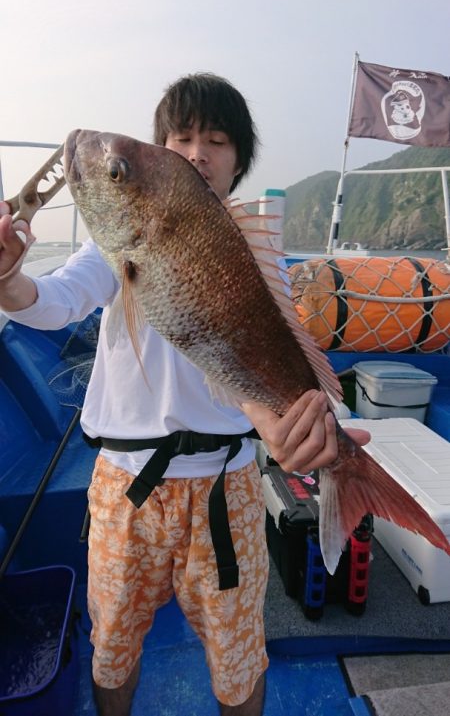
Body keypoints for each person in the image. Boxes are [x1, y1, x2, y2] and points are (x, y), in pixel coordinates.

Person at [0, 73, 369, 716]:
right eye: (182, 138)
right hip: (125, 485)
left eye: (217, 141)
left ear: (238, 160)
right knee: (112, 649)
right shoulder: (117, 242)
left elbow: (260, 368)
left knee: (239, 656)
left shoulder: (257, 256)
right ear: (163, 153)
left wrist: (290, 433)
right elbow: (56, 301)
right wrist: (8, 281)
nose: (198, 152)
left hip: (227, 485)